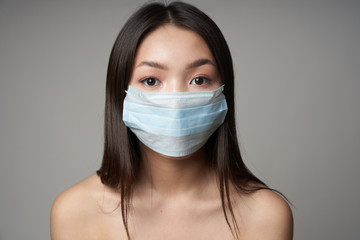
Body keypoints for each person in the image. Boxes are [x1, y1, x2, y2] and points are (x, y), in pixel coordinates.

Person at [50, 1, 293, 239]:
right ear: (120, 94)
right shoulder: (74, 213)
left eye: (199, 80)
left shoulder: (265, 215)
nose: (176, 101)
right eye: (151, 81)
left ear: (223, 92)